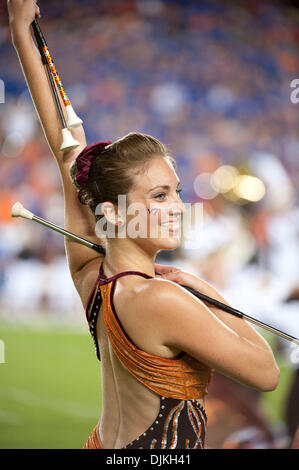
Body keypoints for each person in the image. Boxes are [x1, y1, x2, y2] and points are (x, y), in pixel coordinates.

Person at [7, 0, 280, 449]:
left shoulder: (91, 277)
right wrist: (203, 289)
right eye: (159, 196)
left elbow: (66, 150)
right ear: (112, 213)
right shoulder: (162, 297)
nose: (178, 206)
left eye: (175, 191)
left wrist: (21, 31)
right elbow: (266, 372)